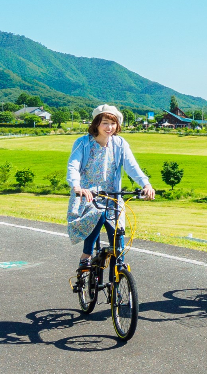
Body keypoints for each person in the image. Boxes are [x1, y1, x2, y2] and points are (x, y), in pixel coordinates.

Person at [66, 104, 155, 275]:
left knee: (118, 235)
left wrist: (146, 184)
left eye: (113, 124)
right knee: (97, 215)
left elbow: (131, 166)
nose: (109, 127)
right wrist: (77, 187)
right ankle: (86, 255)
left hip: (113, 196)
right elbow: (73, 165)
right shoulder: (83, 143)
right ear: (96, 124)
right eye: (105, 123)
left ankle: (118, 273)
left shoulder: (120, 143)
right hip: (88, 195)